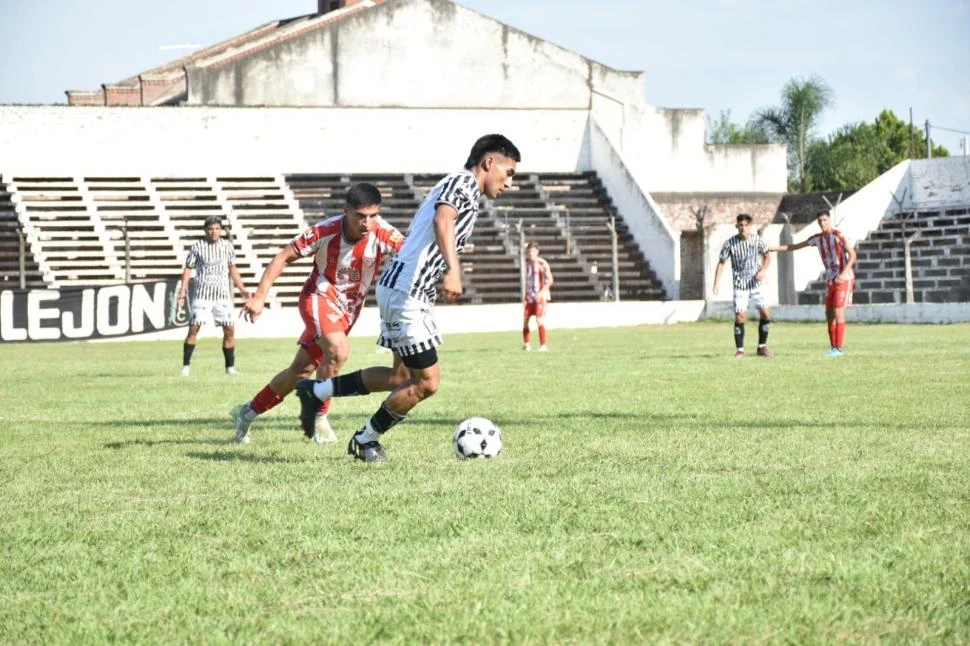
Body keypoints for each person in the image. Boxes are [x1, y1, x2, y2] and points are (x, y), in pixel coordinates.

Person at [294, 133, 521, 463]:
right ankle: (365, 439)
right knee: (427, 383)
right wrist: (453, 271)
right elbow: (444, 219)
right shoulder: (464, 183)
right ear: (489, 163)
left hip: (405, 288)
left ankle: (316, 392)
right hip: (407, 292)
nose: (510, 182)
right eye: (509, 172)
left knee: (400, 378)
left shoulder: (460, 185)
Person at [230, 182, 404, 444]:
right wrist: (259, 296)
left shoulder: (384, 233)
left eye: (373, 215)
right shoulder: (325, 231)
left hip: (348, 311)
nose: (367, 223)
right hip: (318, 299)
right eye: (360, 216)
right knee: (339, 351)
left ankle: (246, 412)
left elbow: (411, 255)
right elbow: (283, 257)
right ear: (345, 211)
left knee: (300, 372)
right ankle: (320, 417)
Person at [770, 210, 857, 357]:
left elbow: (853, 254)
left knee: (838, 311)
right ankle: (833, 348)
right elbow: (793, 247)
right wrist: (772, 249)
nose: (822, 223)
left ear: (829, 220)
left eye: (825, 220)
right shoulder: (817, 239)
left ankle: (839, 349)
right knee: (829, 314)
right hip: (831, 279)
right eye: (820, 221)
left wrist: (843, 274)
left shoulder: (838, 236)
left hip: (844, 278)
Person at [176, 215, 250, 377]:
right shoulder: (197, 247)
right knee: (194, 328)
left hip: (222, 295)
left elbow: (232, 269)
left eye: (217, 228)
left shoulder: (227, 246)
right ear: (205, 230)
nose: (214, 232)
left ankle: (230, 368)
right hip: (202, 295)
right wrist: (183, 290)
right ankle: (186, 367)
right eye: (210, 229)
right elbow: (188, 268)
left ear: (221, 230)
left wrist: (242, 289)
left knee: (229, 329)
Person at [712, 213, 773, 358]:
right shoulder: (730, 244)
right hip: (740, 285)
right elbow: (721, 262)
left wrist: (763, 270)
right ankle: (740, 350)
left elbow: (767, 256)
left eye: (746, 225)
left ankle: (762, 347)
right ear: (736, 226)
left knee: (765, 313)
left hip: (756, 284)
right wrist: (716, 283)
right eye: (741, 225)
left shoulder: (757, 240)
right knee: (740, 316)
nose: (743, 228)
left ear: (750, 226)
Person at [522, 241, 553, 351]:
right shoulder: (527, 264)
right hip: (529, 297)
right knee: (525, 320)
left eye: (533, 251)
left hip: (540, 297)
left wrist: (542, 292)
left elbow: (550, 280)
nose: (530, 253)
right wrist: (525, 295)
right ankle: (526, 344)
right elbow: (528, 281)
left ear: (537, 252)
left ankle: (543, 345)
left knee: (539, 319)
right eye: (529, 251)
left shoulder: (542, 264)